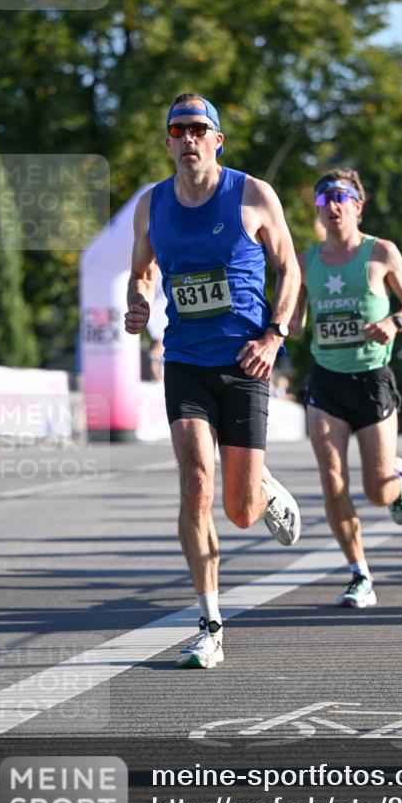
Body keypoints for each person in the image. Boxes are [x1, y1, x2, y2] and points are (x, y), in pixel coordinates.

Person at [124, 92, 302, 669]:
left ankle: (264, 489)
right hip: (185, 360)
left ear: (217, 138)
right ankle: (209, 623)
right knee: (195, 481)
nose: (188, 139)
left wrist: (275, 336)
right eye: (178, 130)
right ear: (167, 141)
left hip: (247, 360)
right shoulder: (151, 205)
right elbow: (143, 271)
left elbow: (291, 269)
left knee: (240, 509)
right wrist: (139, 303)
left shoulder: (252, 194)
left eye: (199, 129)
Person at [290, 168, 402, 609]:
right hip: (326, 382)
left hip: (372, 381)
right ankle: (359, 575)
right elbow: (294, 323)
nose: (331, 205)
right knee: (332, 482)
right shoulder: (305, 259)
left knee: (376, 490)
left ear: (357, 205)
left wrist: (393, 321)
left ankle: (398, 485)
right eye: (322, 198)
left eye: (340, 197)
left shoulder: (380, 252)